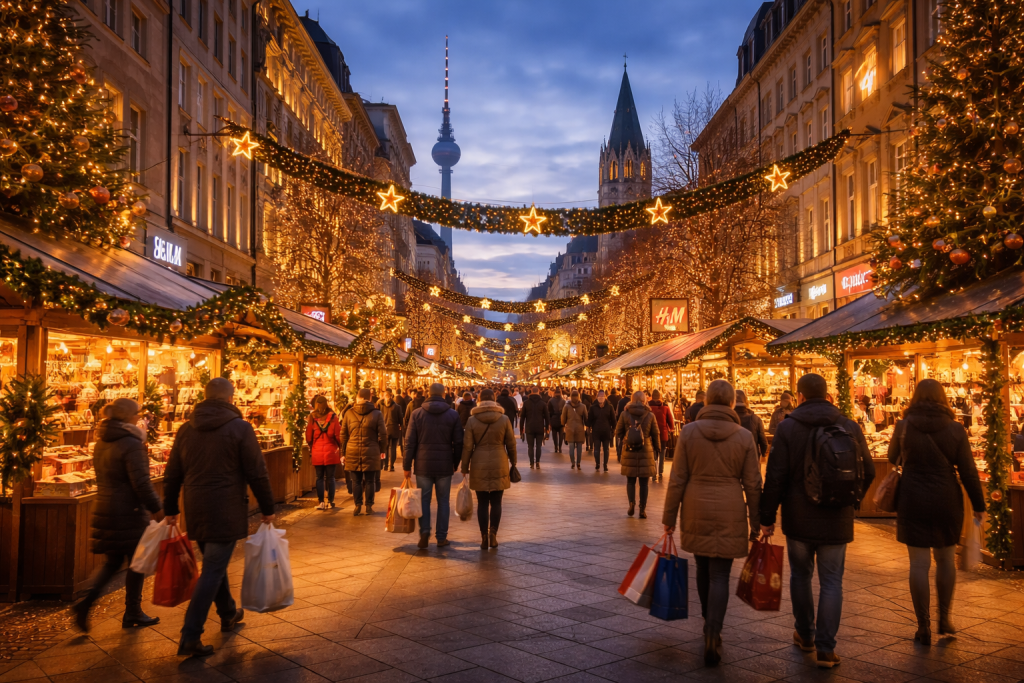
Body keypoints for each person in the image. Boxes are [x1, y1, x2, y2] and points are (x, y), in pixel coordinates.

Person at [759, 373, 875, 669]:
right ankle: (826, 648)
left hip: (799, 516)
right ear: (827, 395)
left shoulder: (787, 427)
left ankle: (805, 634)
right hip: (837, 517)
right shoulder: (848, 425)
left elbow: (775, 477)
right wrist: (851, 499)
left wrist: (766, 517)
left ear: (799, 396)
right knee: (832, 581)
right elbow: (869, 469)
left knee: (800, 575)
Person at [162, 378, 275, 656]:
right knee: (213, 568)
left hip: (196, 507)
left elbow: (172, 472)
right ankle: (190, 634)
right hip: (225, 506)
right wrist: (268, 507)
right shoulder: (240, 428)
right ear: (230, 398)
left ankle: (228, 613)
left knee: (215, 563)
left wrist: (171, 508)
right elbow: (257, 471)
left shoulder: (186, 429)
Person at [663, 379, 762, 666]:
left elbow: (677, 478)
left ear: (706, 401)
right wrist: (757, 522)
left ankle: (708, 621)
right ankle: (713, 631)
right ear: (732, 403)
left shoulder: (689, 432)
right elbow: (753, 484)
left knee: (703, 567)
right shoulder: (744, 436)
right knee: (720, 574)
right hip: (730, 507)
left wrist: (669, 517)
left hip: (695, 506)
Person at [886, 379, 985, 645]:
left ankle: (923, 626)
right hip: (946, 499)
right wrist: (979, 505)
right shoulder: (955, 429)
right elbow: (968, 471)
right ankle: (945, 617)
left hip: (912, 498)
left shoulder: (904, 426)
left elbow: (892, 457)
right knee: (945, 560)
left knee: (918, 564)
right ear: (943, 397)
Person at [73, 399, 163, 632]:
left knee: (113, 562)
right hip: (129, 512)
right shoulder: (131, 443)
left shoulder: (101, 442)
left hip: (106, 507)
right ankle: (132, 611)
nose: (139, 417)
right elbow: (141, 482)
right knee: (137, 562)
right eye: (136, 413)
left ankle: (86, 603)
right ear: (127, 417)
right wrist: (157, 508)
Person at [404, 383, 464, 549]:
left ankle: (424, 532)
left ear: (428, 394)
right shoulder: (453, 414)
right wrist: (455, 462)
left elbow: (409, 442)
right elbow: (459, 442)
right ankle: (441, 537)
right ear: (443, 394)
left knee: (424, 500)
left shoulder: (417, 414)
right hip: (445, 463)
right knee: (443, 501)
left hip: (423, 464)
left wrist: (407, 466)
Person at [461, 388, 517, 549]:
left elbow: (467, 446)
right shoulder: (504, 419)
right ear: (494, 400)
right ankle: (493, 534)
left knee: (482, 502)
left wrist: (464, 467)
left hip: (479, 462)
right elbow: (511, 443)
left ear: (479, 400)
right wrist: (513, 462)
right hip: (500, 461)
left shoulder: (472, 420)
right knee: (497, 501)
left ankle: (484, 536)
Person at [341, 388, 388, 516]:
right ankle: (369, 506)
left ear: (358, 398)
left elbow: (343, 435)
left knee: (356, 481)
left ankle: (357, 505)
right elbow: (383, 435)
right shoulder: (377, 414)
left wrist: (343, 453)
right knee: (370, 480)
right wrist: (382, 450)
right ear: (370, 398)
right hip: (371, 450)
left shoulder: (349, 413)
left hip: (352, 450)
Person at [615, 391, 661, 518]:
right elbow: (656, 433)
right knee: (644, 483)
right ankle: (642, 509)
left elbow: (618, 432)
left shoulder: (625, 414)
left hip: (629, 450)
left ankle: (631, 503)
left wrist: (626, 438)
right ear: (645, 400)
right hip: (645, 450)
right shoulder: (650, 415)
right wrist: (657, 448)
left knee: (630, 481)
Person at [305, 395, 341, 509]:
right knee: (331, 478)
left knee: (319, 477)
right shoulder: (333, 416)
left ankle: (321, 502)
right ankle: (330, 501)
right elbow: (338, 435)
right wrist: (340, 447)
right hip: (331, 451)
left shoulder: (312, 417)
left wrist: (312, 446)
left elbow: (308, 436)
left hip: (317, 451)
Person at [648, 390, 675, 482]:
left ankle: (653, 472)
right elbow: (670, 421)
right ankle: (660, 471)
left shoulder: (648, 407)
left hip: (652, 434)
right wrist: (671, 428)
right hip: (663, 433)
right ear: (659, 397)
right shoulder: (665, 407)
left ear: (652, 396)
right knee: (662, 451)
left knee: (653, 453)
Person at [519, 387, 549, 468]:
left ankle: (531, 463)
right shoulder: (543, 403)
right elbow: (547, 417)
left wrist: (521, 428)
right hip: (539, 427)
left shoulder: (526, 403)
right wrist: (547, 428)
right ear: (538, 392)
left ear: (531, 392)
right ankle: (538, 462)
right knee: (538, 446)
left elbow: (522, 417)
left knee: (530, 446)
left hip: (529, 427)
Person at [588, 390, 617, 472]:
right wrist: (588, 426)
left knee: (606, 449)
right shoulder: (593, 407)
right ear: (597, 397)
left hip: (606, 431)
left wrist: (613, 428)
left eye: (602, 396)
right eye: (600, 396)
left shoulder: (609, 407)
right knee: (596, 449)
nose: (601, 397)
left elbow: (613, 419)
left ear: (605, 397)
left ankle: (605, 465)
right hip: (596, 431)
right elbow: (589, 419)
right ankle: (597, 463)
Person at [734, 390, 768, 459]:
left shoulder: (727, 418)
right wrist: (763, 453)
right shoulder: (755, 419)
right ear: (746, 401)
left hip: (732, 458)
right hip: (752, 457)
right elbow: (763, 441)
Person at [378, 389, 405, 472]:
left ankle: (385, 465)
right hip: (394, 429)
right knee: (393, 447)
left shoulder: (382, 406)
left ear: (384, 397)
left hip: (384, 429)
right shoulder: (397, 407)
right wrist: (401, 427)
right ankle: (392, 465)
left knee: (385, 448)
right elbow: (401, 419)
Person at [561, 390, 588, 470]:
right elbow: (586, 418)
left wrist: (564, 424)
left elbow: (563, 419)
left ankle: (573, 462)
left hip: (570, 429)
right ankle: (578, 463)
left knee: (571, 447)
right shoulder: (583, 406)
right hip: (580, 429)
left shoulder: (566, 406)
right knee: (579, 447)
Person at [548, 389, 566, 453]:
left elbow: (549, 411)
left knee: (554, 433)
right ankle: (560, 447)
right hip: (561, 418)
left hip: (553, 418)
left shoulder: (550, 401)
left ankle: (556, 446)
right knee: (561, 434)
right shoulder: (563, 401)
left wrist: (549, 421)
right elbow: (565, 411)